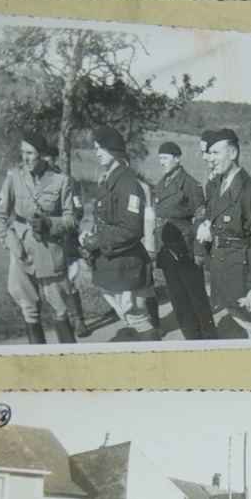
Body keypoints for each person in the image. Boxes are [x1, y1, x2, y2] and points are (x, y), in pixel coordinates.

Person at [0, 131, 79, 344]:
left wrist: (51, 224)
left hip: (50, 252)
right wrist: (12, 244)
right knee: (29, 309)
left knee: (60, 308)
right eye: (23, 153)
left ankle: (71, 360)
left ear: (42, 154)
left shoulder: (61, 181)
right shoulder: (14, 178)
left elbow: (72, 219)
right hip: (22, 254)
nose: (26, 158)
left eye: (31, 153)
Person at [196, 128, 251, 338]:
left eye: (216, 153)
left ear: (233, 153)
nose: (211, 159)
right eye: (210, 153)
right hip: (227, 273)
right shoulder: (219, 187)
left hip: (246, 276)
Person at [79, 127, 157, 341]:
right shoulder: (109, 181)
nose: (97, 153)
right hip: (114, 265)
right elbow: (106, 222)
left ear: (114, 150)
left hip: (126, 265)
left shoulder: (128, 184)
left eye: (100, 148)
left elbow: (131, 229)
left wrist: (98, 240)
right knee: (132, 319)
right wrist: (90, 236)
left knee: (138, 319)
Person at [153, 141, 216, 341]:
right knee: (178, 299)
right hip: (167, 249)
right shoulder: (161, 184)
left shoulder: (190, 184)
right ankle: (191, 337)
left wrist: (199, 252)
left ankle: (209, 336)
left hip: (186, 249)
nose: (161, 162)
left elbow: (201, 219)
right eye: (159, 158)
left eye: (165, 157)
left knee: (196, 296)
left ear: (177, 158)